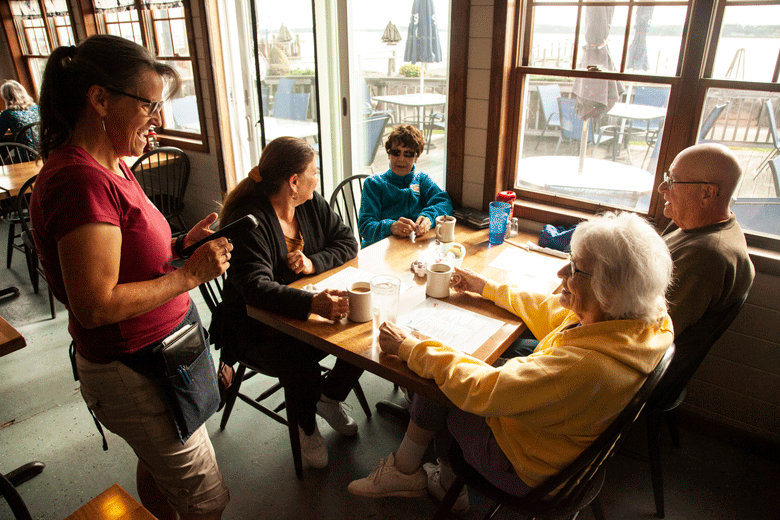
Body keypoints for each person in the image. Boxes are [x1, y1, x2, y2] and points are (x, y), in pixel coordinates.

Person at [348, 212, 674, 513]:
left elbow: (481, 390)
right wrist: (486, 287)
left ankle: (421, 478)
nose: (562, 273)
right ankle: (430, 475)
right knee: (452, 363)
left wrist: (410, 347)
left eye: (574, 268)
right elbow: (553, 313)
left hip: (529, 469)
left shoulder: (585, 367)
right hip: (561, 444)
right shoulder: (641, 323)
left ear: (609, 291)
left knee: (440, 384)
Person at [29, 35, 230, 520]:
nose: (157, 119)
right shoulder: (80, 181)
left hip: (161, 356)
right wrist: (189, 278)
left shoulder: (113, 163)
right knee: (208, 500)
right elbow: (95, 304)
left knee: (158, 464)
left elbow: (127, 254)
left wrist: (181, 247)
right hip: (136, 370)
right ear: (99, 99)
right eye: (149, 105)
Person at [216, 136, 364, 469]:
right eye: (315, 170)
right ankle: (305, 425)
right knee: (300, 359)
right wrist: (313, 304)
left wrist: (313, 264)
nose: (319, 176)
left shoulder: (310, 203)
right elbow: (255, 288)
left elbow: (347, 243)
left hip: (303, 311)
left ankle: (329, 397)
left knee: (363, 324)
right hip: (256, 327)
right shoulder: (248, 220)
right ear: (293, 181)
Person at [658, 143, 754, 337]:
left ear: (707, 193)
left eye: (672, 181)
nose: (662, 188)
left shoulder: (705, 257)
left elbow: (650, 334)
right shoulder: (692, 223)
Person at [358, 124, 453, 248]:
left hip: (412, 247)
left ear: (416, 157)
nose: (401, 159)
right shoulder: (373, 183)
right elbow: (365, 227)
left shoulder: (422, 180)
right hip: (379, 250)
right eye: (396, 153)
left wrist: (428, 217)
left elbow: (445, 202)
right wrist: (391, 227)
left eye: (408, 154)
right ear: (388, 154)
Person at [0, 79, 39, 147]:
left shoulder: (7, 114)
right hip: (45, 150)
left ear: (6, 97)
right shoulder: (36, 108)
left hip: (27, 153)